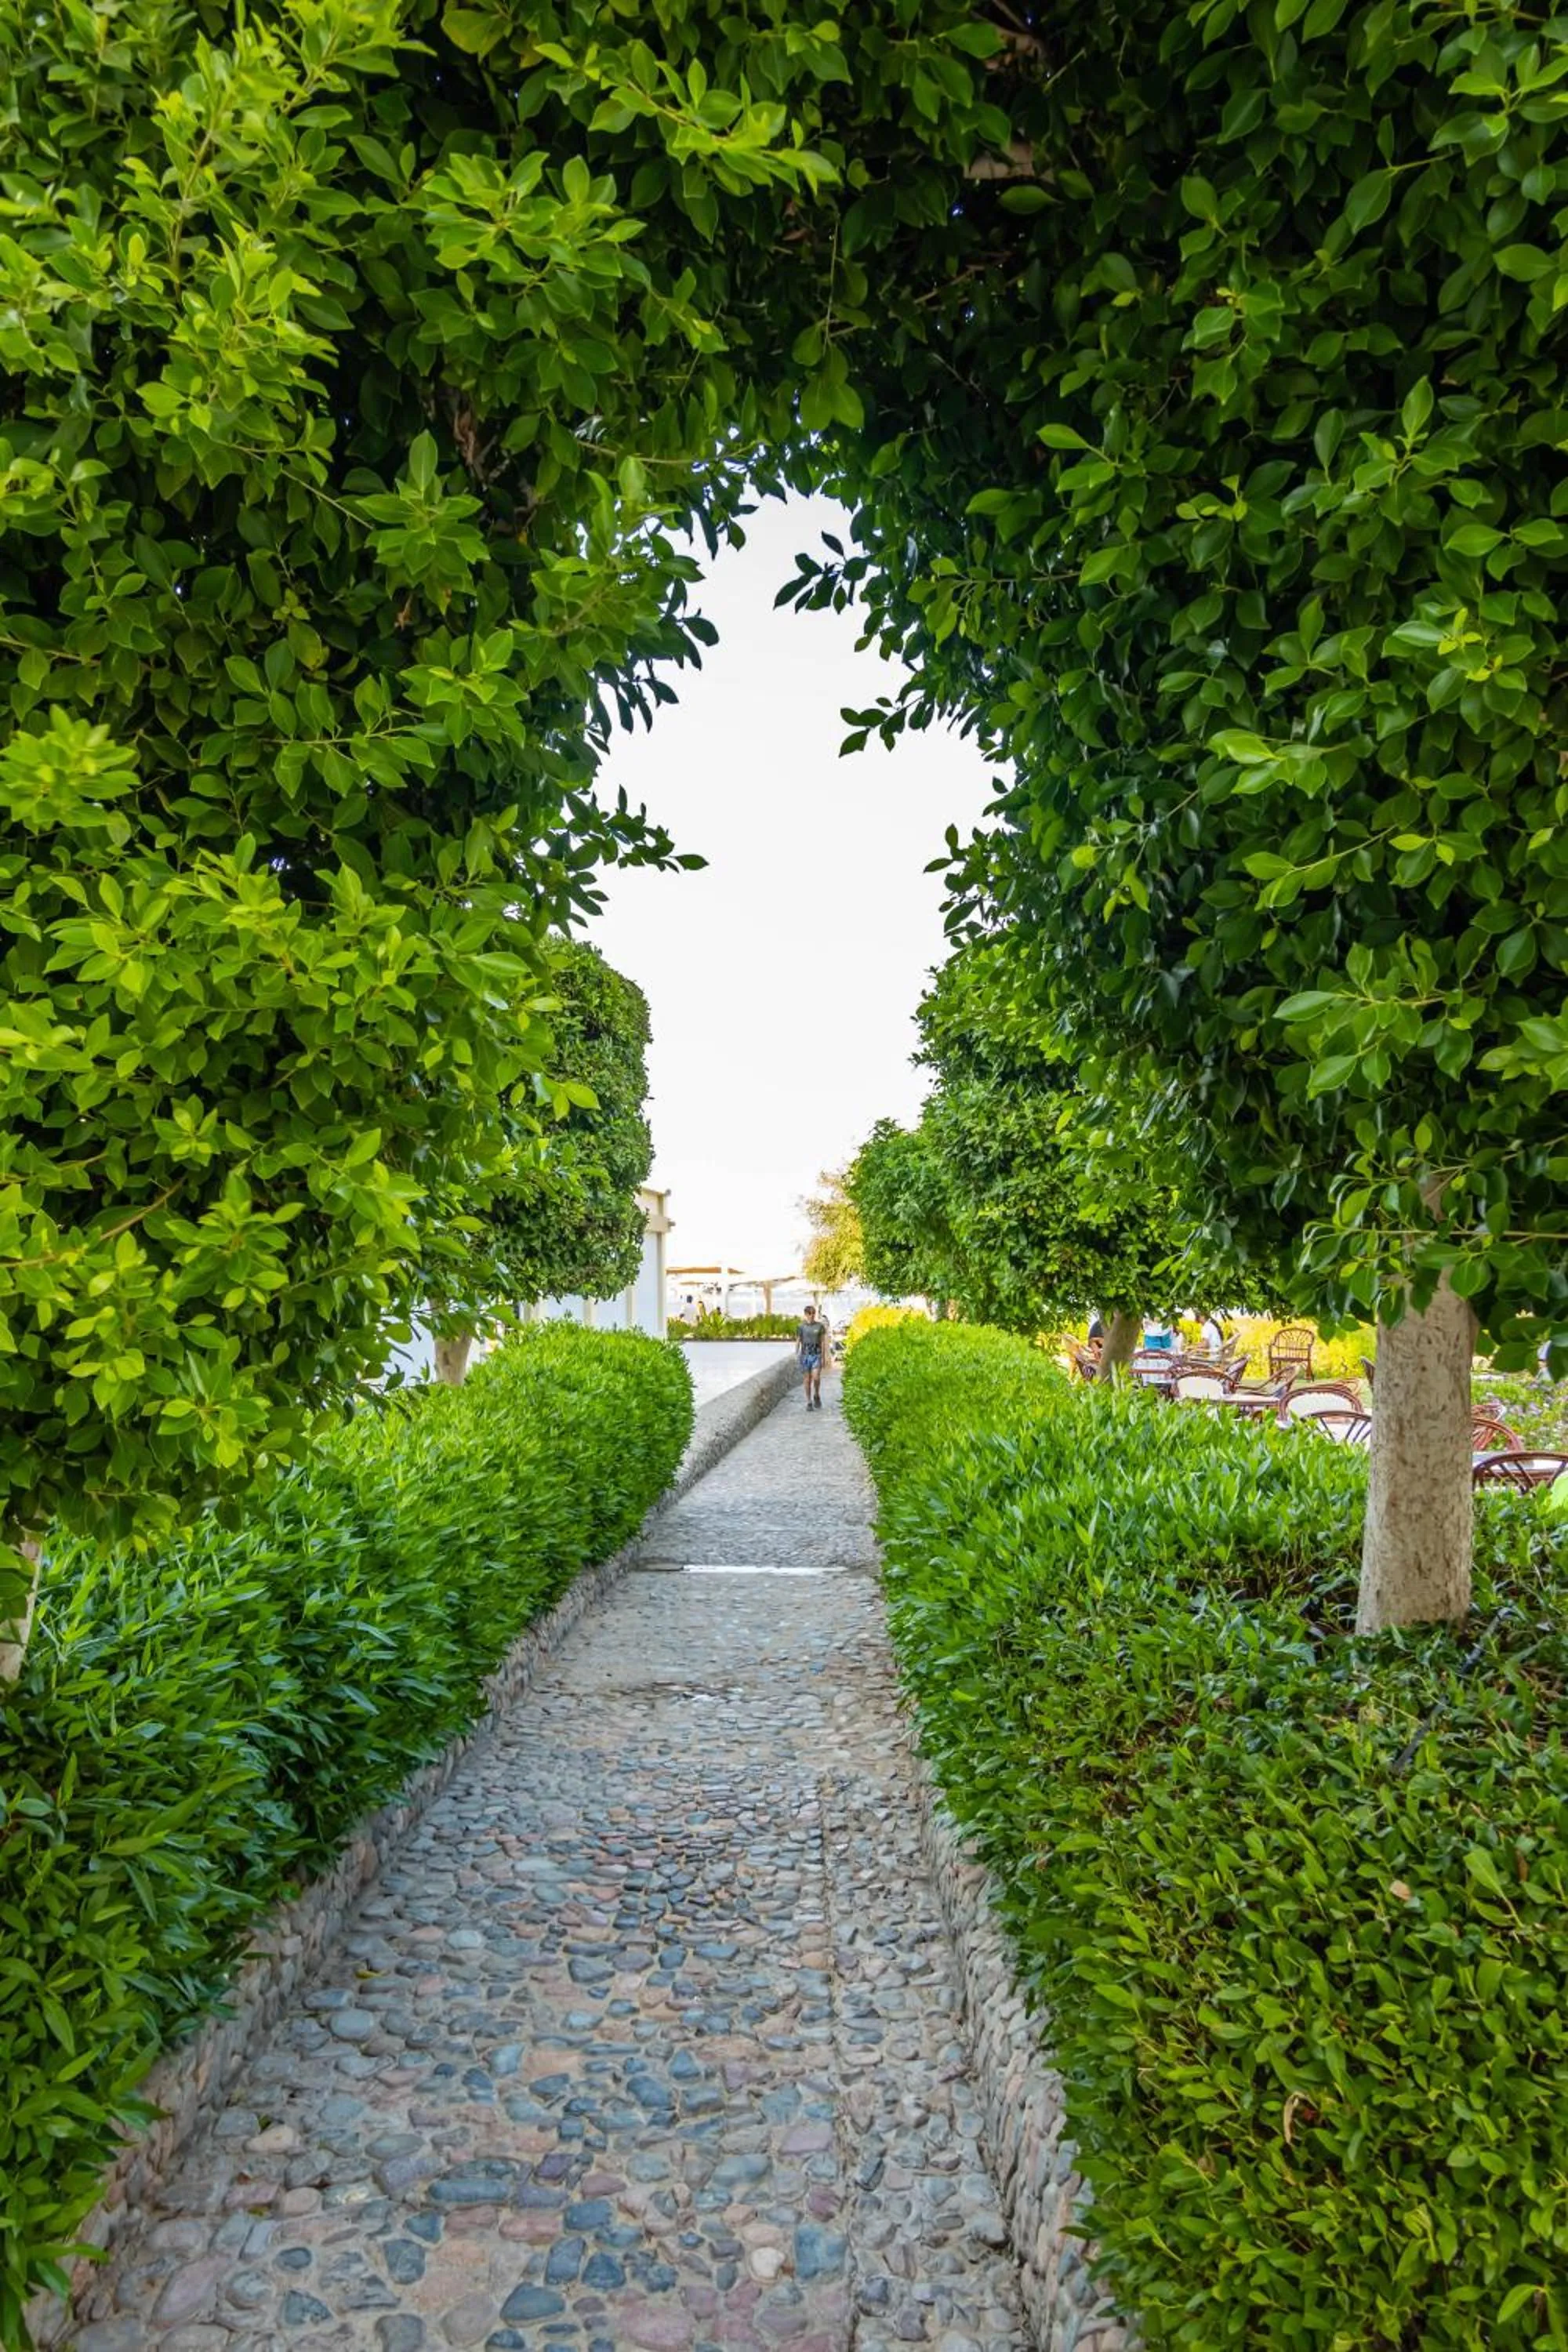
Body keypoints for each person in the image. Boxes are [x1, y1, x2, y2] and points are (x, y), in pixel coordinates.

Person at [797, 1303, 828, 1410]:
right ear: (805, 1314)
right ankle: (809, 1401)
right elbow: (798, 1340)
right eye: (809, 1313)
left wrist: (823, 1357)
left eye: (813, 1313)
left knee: (816, 1377)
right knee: (807, 1379)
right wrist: (796, 1354)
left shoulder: (820, 1326)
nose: (812, 1315)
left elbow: (823, 1342)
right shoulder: (801, 1327)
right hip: (805, 1355)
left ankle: (817, 1395)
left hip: (816, 1354)